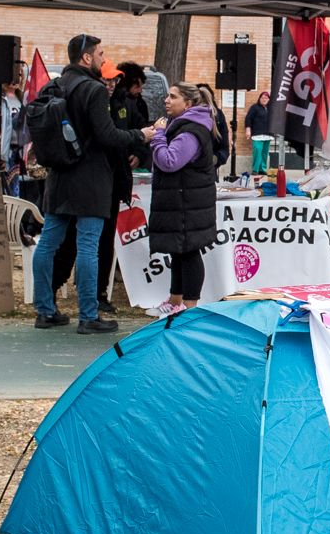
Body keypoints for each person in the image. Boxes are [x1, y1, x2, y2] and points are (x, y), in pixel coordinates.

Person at [30, 33, 148, 334]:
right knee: (88, 246)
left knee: (48, 244)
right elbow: (108, 135)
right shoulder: (93, 90)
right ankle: (89, 315)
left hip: (59, 176)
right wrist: (140, 136)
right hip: (91, 178)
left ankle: (44, 309)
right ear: (86, 58)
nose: (103, 59)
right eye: (100, 54)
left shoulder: (55, 85)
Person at [143, 80, 220, 316]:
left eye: (173, 97)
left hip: (188, 204)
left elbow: (169, 161)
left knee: (188, 252)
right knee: (178, 251)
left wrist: (156, 137)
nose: (167, 100)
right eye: (167, 96)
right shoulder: (184, 125)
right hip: (182, 202)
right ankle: (176, 301)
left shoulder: (189, 131)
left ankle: (189, 307)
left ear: (188, 103)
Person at [100, 63, 152, 312]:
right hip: (98, 178)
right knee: (90, 239)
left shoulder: (127, 104)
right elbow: (112, 136)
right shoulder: (97, 102)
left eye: (114, 81)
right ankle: (92, 290)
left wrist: (139, 153)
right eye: (107, 81)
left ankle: (99, 292)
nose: (111, 86)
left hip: (117, 178)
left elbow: (141, 130)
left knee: (106, 238)